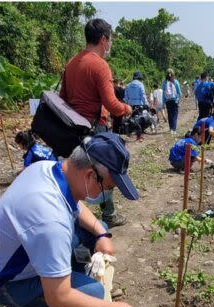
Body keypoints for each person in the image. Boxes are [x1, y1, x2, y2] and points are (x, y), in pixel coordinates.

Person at [0, 133, 144, 307]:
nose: (107, 193)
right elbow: (59, 296)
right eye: (109, 187)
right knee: (93, 294)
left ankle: (77, 280)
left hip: (23, 251)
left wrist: (102, 233)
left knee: (96, 227)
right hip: (8, 283)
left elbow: (74, 205)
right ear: (90, 175)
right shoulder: (50, 220)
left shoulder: (48, 169)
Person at [59, 18, 132, 228]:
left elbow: (63, 97)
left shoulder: (72, 62)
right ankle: (108, 214)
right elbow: (112, 104)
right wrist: (127, 109)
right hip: (94, 127)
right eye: (110, 40)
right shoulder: (100, 66)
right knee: (106, 171)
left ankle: (73, 215)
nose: (110, 45)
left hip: (72, 127)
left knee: (75, 171)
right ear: (103, 39)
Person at [162, 69, 182, 134]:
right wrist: (178, 99)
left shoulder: (164, 82)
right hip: (174, 100)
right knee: (175, 115)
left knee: (170, 115)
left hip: (168, 101)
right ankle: (174, 129)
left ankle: (171, 129)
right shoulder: (175, 81)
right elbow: (179, 92)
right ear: (173, 74)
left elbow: (163, 93)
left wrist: (163, 102)